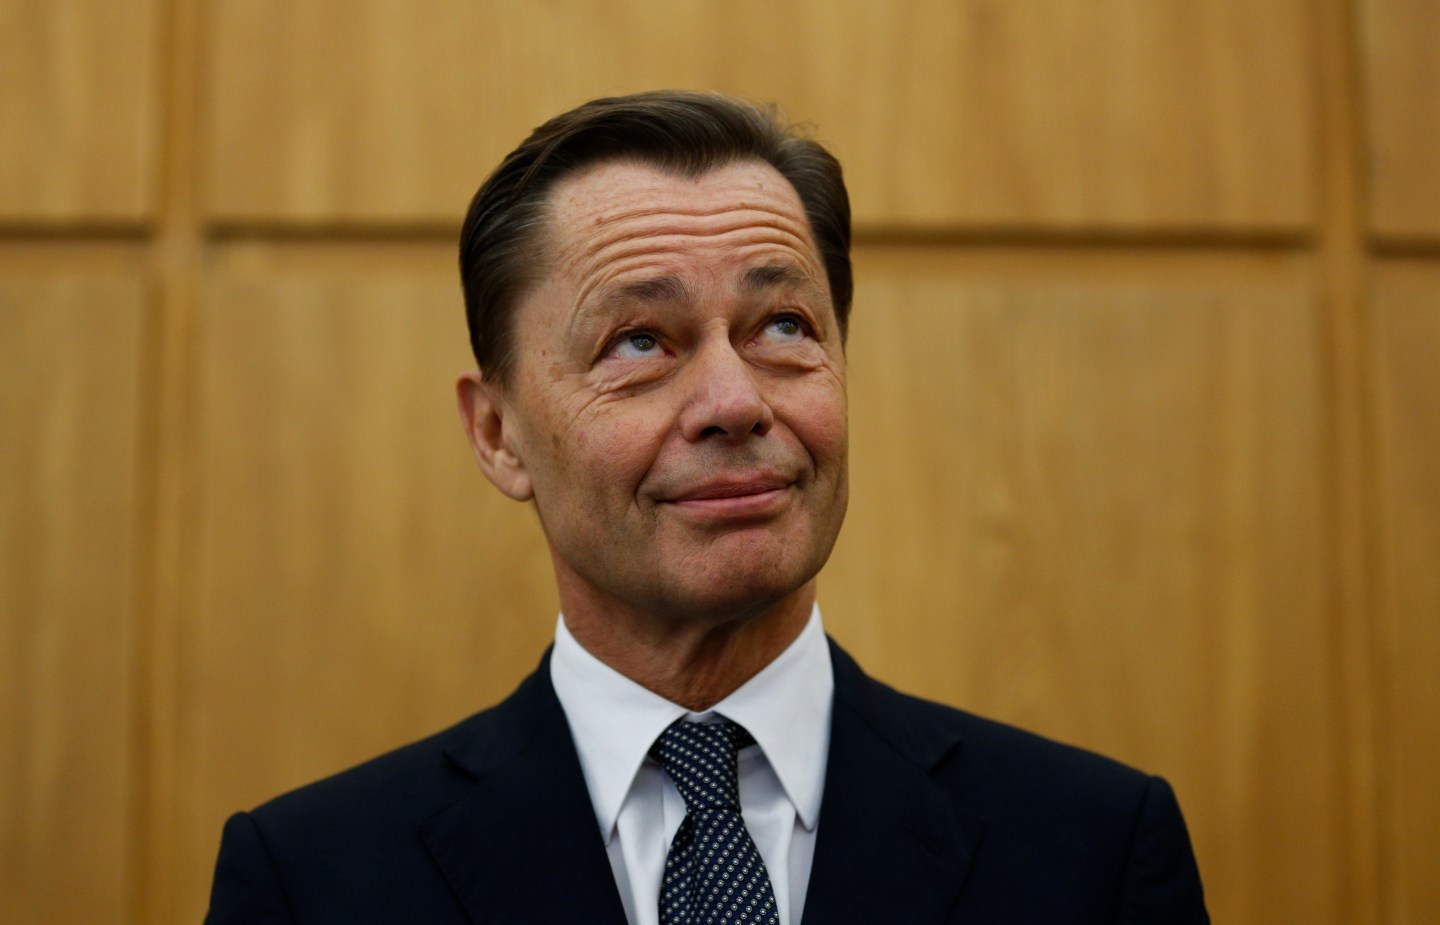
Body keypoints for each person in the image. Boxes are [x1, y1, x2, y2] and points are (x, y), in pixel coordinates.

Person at [204, 90, 1208, 924]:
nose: (735, 401)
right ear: (498, 434)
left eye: (782, 325)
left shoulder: (1095, 851)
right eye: (639, 341)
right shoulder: (313, 881)